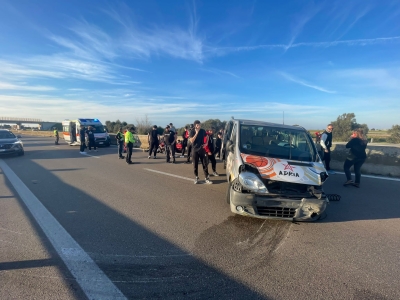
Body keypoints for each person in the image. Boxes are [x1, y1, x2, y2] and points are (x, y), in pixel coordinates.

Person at [189, 120, 212, 184]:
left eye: (199, 125)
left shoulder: (202, 131)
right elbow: (191, 140)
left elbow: (207, 136)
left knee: (205, 164)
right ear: (195, 126)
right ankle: (196, 177)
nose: (199, 126)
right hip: (194, 150)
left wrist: (206, 143)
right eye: (197, 125)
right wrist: (196, 133)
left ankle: (207, 178)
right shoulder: (192, 131)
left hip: (202, 149)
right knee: (195, 165)